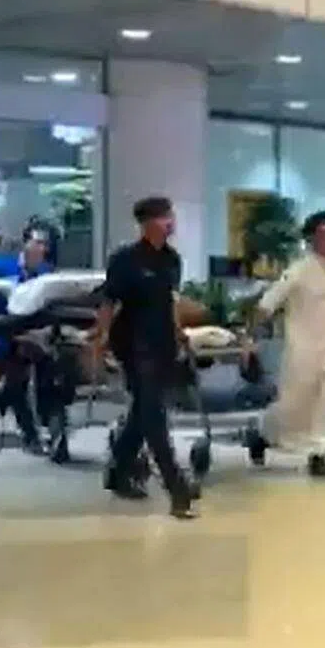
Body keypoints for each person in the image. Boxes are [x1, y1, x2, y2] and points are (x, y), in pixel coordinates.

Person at [93, 196, 197, 519]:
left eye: (171, 215)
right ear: (147, 223)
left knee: (143, 412)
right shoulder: (125, 260)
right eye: (164, 217)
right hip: (134, 346)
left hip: (163, 344)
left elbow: (170, 301)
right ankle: (177, 487)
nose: (170, 222)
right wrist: (101, 340)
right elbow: (109, 302)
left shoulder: (172, 260)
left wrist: (180, 334)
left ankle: (118, 470)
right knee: (154, 416)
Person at [254, 211, 325, 479]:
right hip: (304, 351)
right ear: (311, 239)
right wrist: (249, 337)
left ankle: (320, 456)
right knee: (294, 408)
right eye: (324, 235)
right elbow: (267, 304)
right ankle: (262, 434)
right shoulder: (298, 270)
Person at [0, 230, 53, 451]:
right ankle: (30, 435)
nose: (42, 248)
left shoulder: (45, 272)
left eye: (44, 244)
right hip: (0, 330)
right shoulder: (4, 265)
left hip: (28, 334)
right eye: (37, 242)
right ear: (25, 244)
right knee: (17, 381)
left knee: (17, 381)